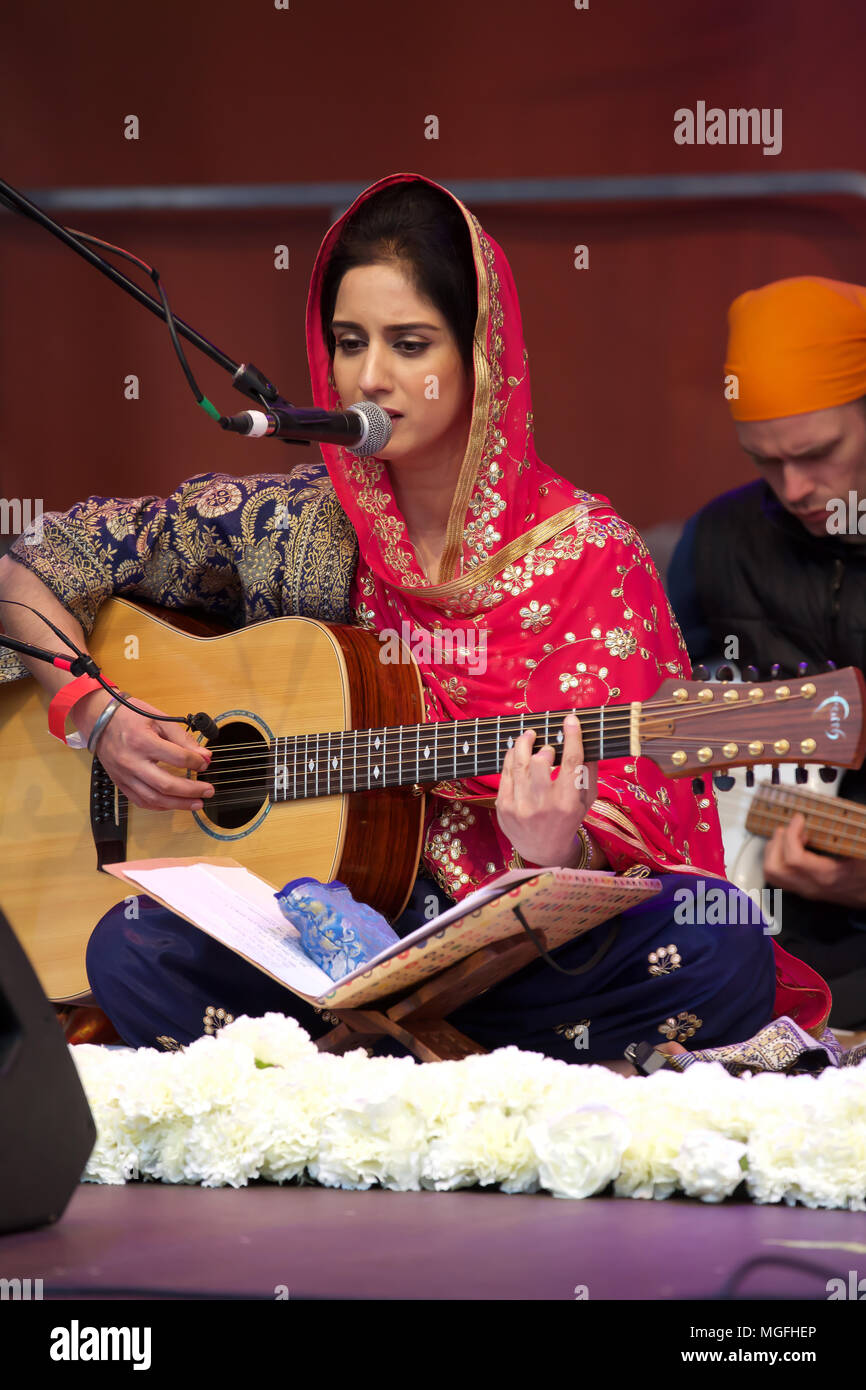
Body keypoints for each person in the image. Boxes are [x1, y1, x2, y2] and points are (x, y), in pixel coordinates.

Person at [0, 176, 836, 1072]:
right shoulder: (293, 528)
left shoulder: (592, 555)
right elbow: (27, 569)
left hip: (523, 961)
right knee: (130, 942)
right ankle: (434, 1061)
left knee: (719, 948)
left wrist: (560, 849)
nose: (369, 378)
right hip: (320, 945)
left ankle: (358, 1063)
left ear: (484, 354)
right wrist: (99, 716)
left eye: (409, 344)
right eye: (351, 343)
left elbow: (647, 832)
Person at [667, 276, 866, 1029]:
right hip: (754, 924)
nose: (796, 487)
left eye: (819, 454)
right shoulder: (718, 540)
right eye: (765, 462)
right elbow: (659, 721)